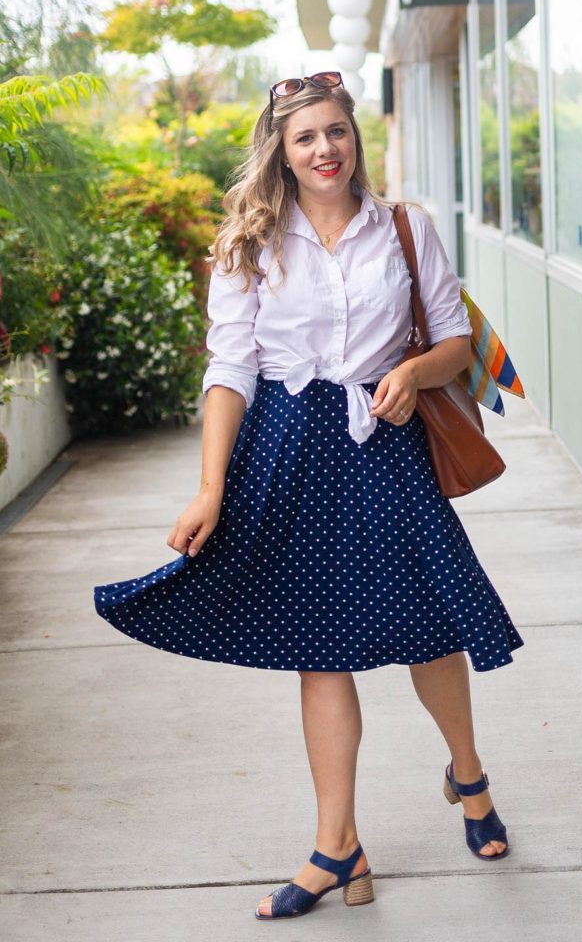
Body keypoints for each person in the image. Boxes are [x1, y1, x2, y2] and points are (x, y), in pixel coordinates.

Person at [94, 71, 524, 921]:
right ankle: (338, 846)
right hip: (286, 450)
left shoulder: (404, 229)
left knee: (427, 625)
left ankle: (467, 777)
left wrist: (408, 372)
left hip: (384, 444)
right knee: (318, 644)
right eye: (306, 138)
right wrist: (212, 485)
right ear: (280, 151)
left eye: (337, 132)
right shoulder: (248, 242)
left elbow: (451, 340)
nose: (325, 149)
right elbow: (230, 369)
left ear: (353, 138)